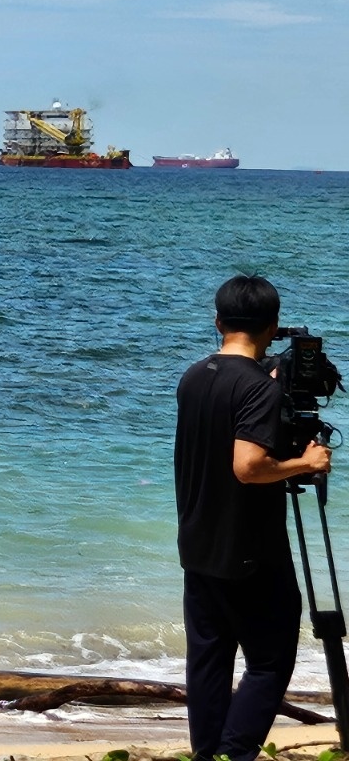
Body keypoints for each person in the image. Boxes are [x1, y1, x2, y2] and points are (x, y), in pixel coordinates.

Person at [176, 275, 332, 761]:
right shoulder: (259, 389)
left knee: (208, 660)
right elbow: (248, 466)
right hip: (250, 550)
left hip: (198, 542)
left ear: (218, 321)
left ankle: (208, 755)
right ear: (272, 326)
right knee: (270, 659)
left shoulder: (195, 375)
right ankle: (234, 753)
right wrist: (306, 464)